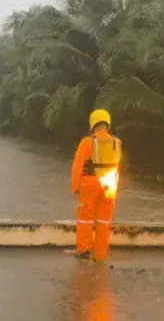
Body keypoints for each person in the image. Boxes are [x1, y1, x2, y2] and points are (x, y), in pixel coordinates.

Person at [71, 108, 122, 262]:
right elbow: (116, 166)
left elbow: (77, 166)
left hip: (90, 183)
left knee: (85, 219)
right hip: (110, 185)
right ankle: (100, 255)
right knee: (104, 221)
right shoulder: (117, 142)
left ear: (92, 124)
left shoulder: (87, 142)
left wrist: (75, 187)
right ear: (108, 124)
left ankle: (84, 251)